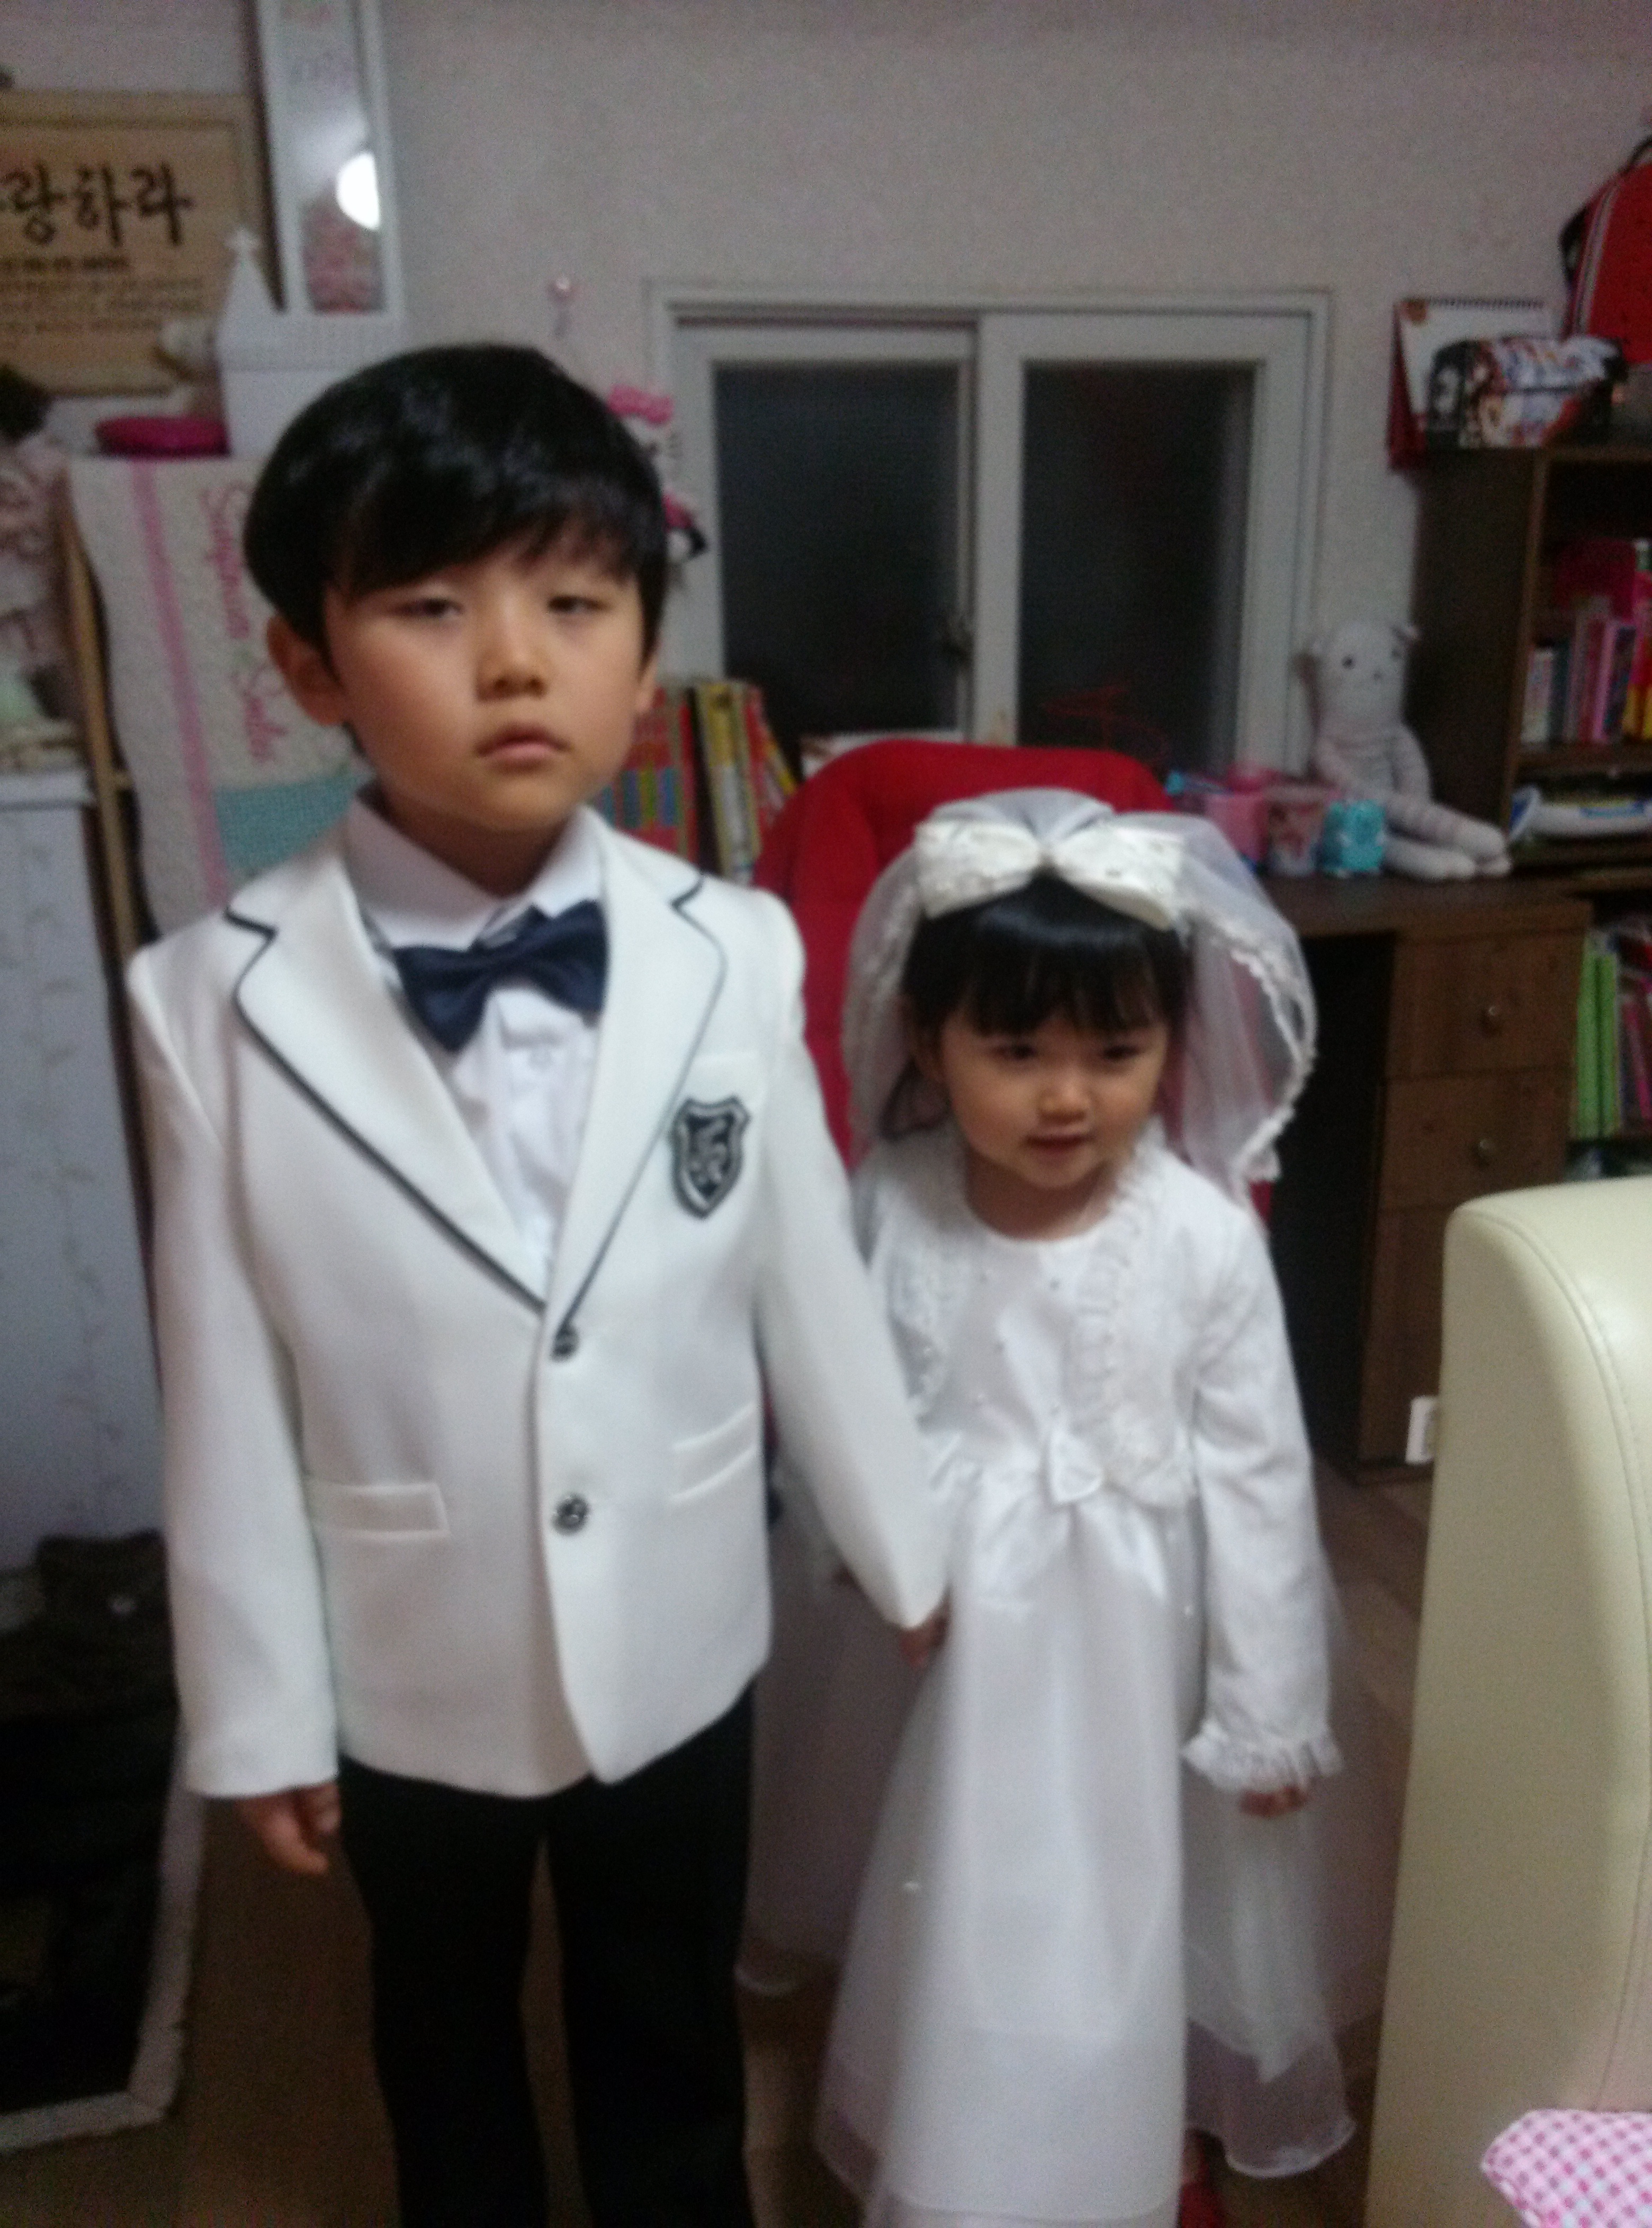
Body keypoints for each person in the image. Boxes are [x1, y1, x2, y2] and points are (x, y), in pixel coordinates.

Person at [125, 343, 948, 2228]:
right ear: (313, 667)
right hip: (410, 1654)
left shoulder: (732, 948)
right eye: (433, 607)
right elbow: (223, 1380)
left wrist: (903, 1544)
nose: (515, 662)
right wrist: (255, 1704)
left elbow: (802, 1273)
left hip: (682, 1620)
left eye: (574, 604)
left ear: (644, 658)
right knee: (441, 2023)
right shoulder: (208, 998)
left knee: (668, 2017)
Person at [804, 788, 1366, 2228]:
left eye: (1116, 1054)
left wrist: (1269, 1701)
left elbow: (1259, 1476)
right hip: (947, 1629)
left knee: (1120, 1892)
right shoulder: (893, 1200)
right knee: (963, 1886)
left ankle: (1128, 2129)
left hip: (1132, 1638)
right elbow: (844, 1404)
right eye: (1017, 1053)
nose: (1068, 1097)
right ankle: (955, 2125)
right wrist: (870, 1557)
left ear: (1172, 1045)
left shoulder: (1199, 1239)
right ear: (928, 1039)